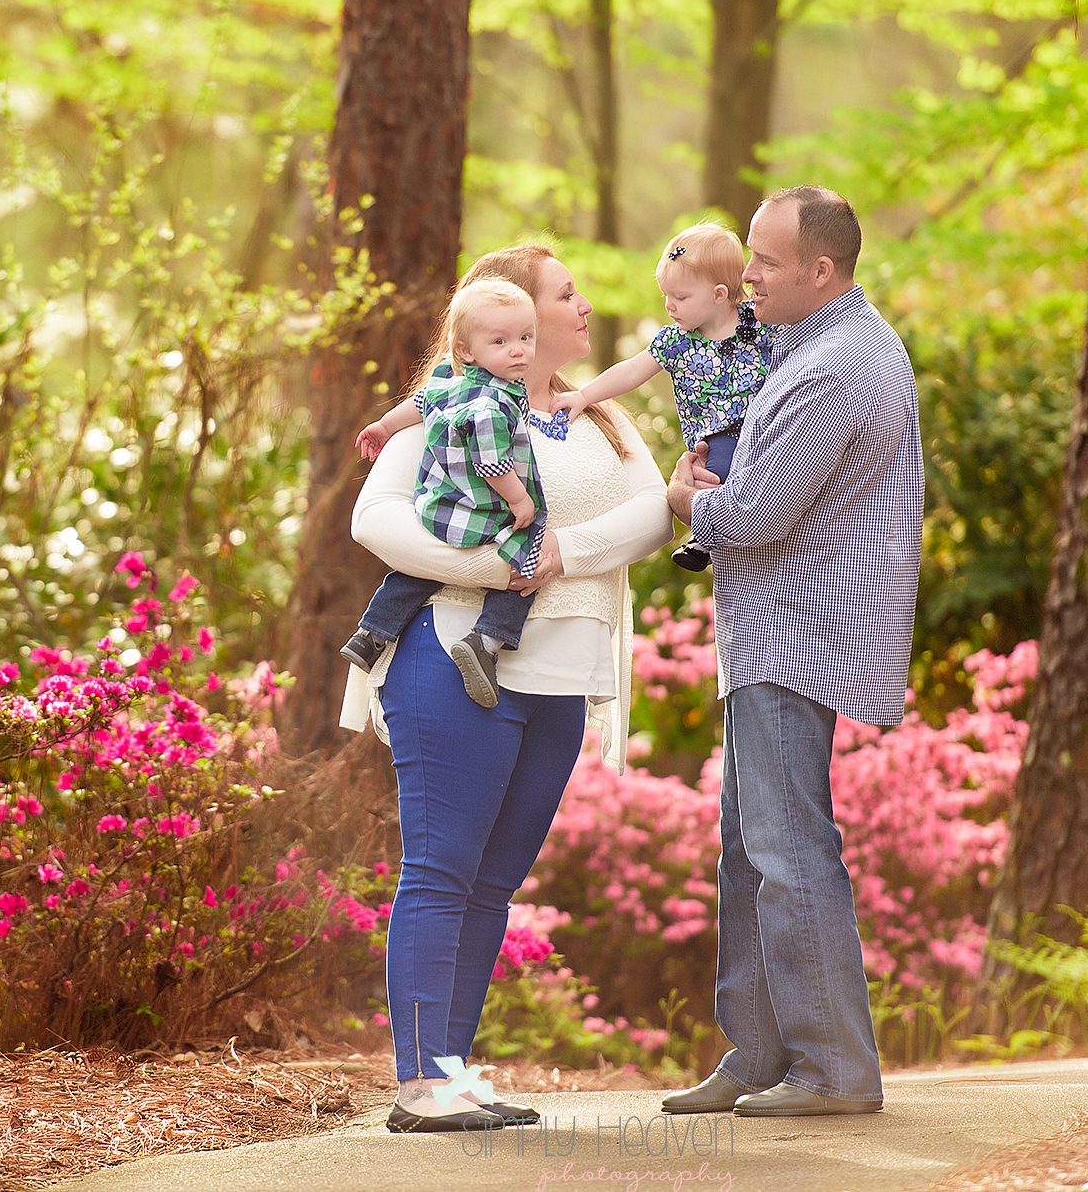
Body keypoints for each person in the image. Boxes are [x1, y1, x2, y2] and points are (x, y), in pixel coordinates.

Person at [339, 244, 674, 1134]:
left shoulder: (600, 414)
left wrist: (564, 554)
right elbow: (376, 517)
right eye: (566, 294)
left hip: (560, 674)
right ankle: (421, 1084)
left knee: (493, 883)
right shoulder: (451, 400)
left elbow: (657, 506)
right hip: (454, 660)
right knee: (443, 871)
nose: (585, 305)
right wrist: (496, 564)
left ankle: (452, 1075)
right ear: (506, 319)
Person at [658, 185, 922, 1119]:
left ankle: (833, 1068)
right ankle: (759, 1051)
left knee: (788, 847)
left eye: (764, 262)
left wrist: (687, 499)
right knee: (748, 849)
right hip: (772, 630)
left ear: (821, 270)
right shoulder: (814, 343)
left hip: (795, 633)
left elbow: (760, 513)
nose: (747, 273)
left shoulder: (837, 367)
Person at [341, 278, 550, 708]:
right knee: (528, 559)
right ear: (467, 351)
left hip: (438, 509)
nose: (518, 350)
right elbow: (493, 464)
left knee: (418, 571)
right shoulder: (493, 404)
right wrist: (519, 500)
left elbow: (419, 402)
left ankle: (372, 633)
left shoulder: (447, 383)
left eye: (526, 338)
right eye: (501, 341)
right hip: (481, 513)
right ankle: (486, 641)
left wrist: (383, 425)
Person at [549, 223, 778, 571]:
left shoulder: (759, 324)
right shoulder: (676, 341)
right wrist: (583, 395)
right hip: (715, 438)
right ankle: (704, 539)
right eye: (666, 296)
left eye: (681, 298)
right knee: (716, 473)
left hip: (765, 424)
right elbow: (631, 371)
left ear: (719, 294)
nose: (670, 306)